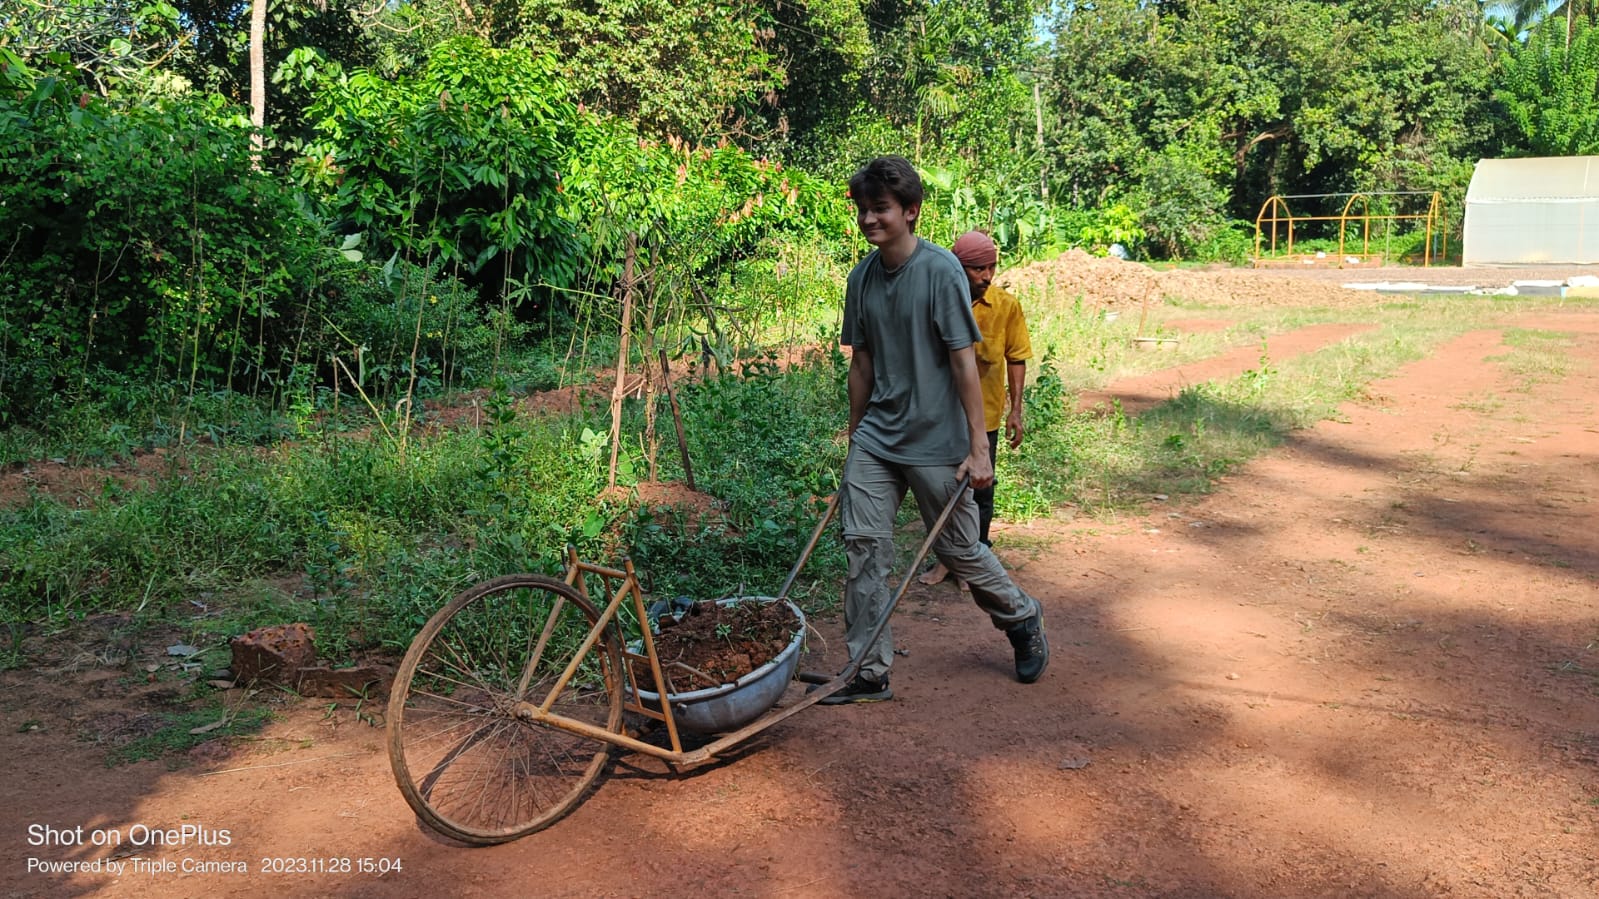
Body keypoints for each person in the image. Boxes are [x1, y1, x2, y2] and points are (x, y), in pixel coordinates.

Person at [821, 155, 1048, 705]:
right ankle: (868, 671)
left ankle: (1020, 616)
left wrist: (978, 447)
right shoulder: (861, 279)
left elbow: (963, 361)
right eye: (863, 209)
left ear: (910, 211)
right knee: (863, 549)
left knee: (959, 550)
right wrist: (855, 437)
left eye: (881, 208)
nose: (869, 219)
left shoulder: (941, 270)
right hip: (878, 438)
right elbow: (862, 363)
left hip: (937, 440)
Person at [918, 230, 1032, 589]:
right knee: (943, 489)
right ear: (957, 267)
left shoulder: (1006, 306)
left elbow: (1016, 358)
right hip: (940, 415)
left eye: (991, 267)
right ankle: (947, 561)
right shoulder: (935, 301)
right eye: (977, 268)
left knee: (981, 491)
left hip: (986, 417)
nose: (986, 276)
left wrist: (1016, 411)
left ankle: (973, 563)